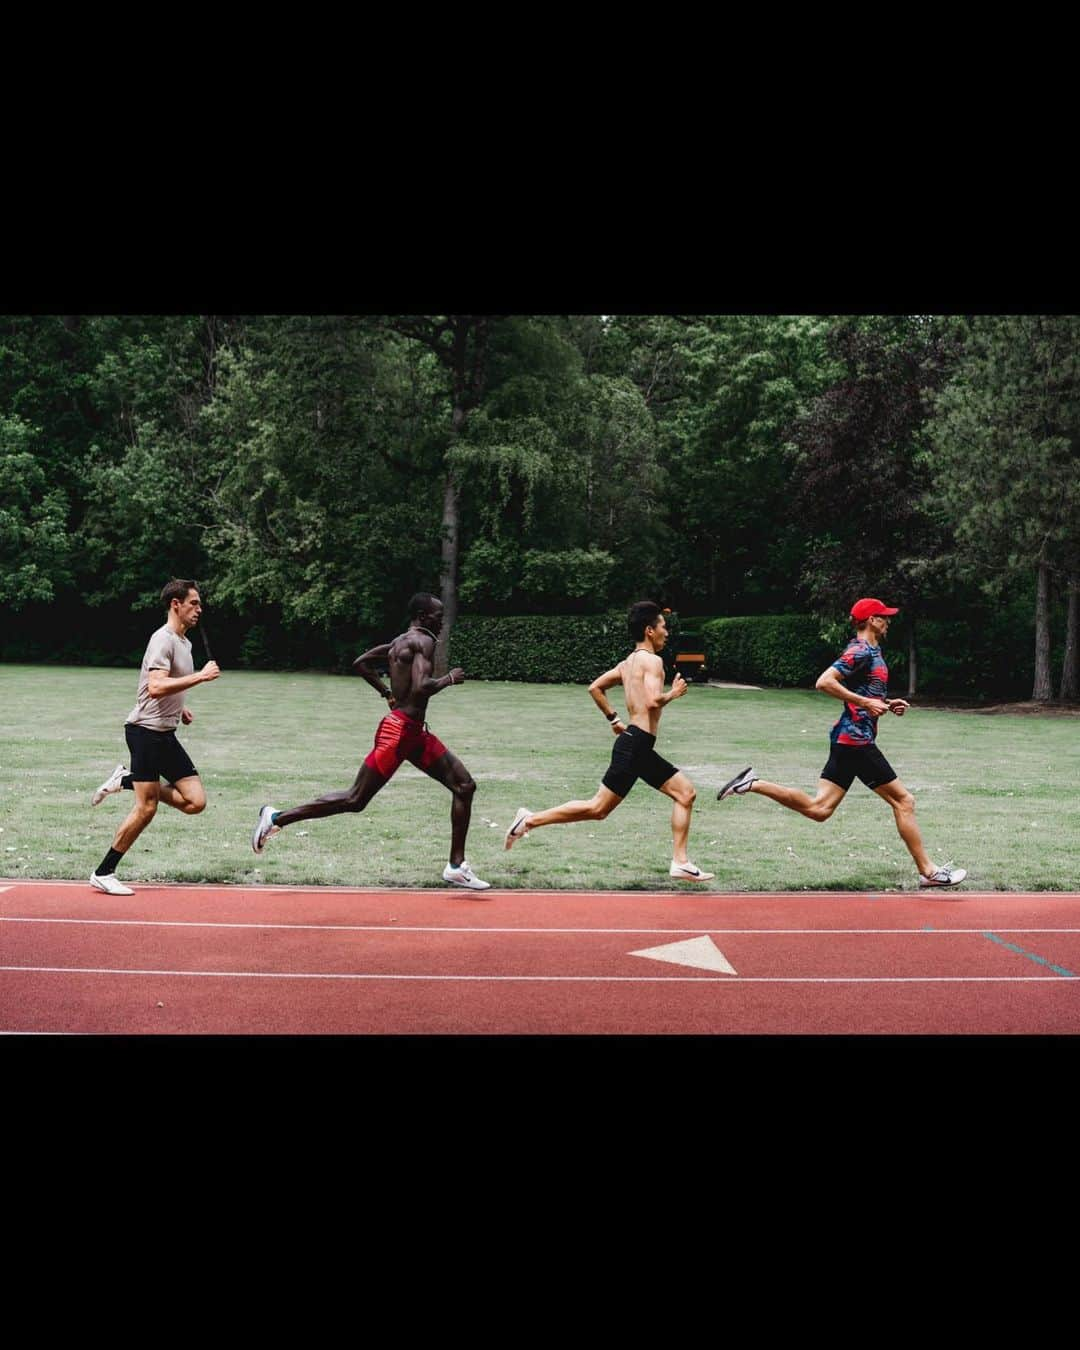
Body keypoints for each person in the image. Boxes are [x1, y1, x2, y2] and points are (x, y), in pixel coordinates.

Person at [716, 597, 966, 889]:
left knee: (819, 809)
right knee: (904, 801)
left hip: (848, 739)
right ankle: (929, 871)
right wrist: (865, 702)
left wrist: (884, 703)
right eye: (884, 617)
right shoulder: (860, 650)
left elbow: (862, 691)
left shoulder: (872, 650)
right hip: (856, 741)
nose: (888, 621)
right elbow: (825, 682)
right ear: (871, 620)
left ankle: (753, 783)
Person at [251, 593, 491, 893]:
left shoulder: (398, 643)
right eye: (437, 616)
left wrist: (387, 694)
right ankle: (276, 818)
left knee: (464, 786)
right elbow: (422, 687)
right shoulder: (424, 642)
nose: (441, 622)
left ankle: (456, 867)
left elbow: (361, 662)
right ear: (421, 615)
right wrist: (450, 680)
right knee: (355, 799)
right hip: (400, 733)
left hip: (413, 733)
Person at [504, 600, 714, 882]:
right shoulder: (652, 661)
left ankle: (680, 862)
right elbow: (653, 700)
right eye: (663, 627)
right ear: (650, 630)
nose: (667, 632)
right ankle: (528, 820)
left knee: (684, 794)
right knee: (598, 808)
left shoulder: (627, 663)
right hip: (636, 744)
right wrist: (673, 693)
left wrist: (614, 720)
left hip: (635, 743)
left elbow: (596, 687)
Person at [89, 579, 221, 895]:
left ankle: (125, 780)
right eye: (194, 603)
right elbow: (156, 686)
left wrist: (181, 708)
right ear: (175, 604)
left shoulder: (184, 643)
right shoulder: (162, 640)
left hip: (165, 732)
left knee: (195, 802)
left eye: (199, 604)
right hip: (144, 732)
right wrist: (201, 677)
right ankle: (103, 872)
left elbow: (169, 687)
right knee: (147, 808)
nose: (199, 609)